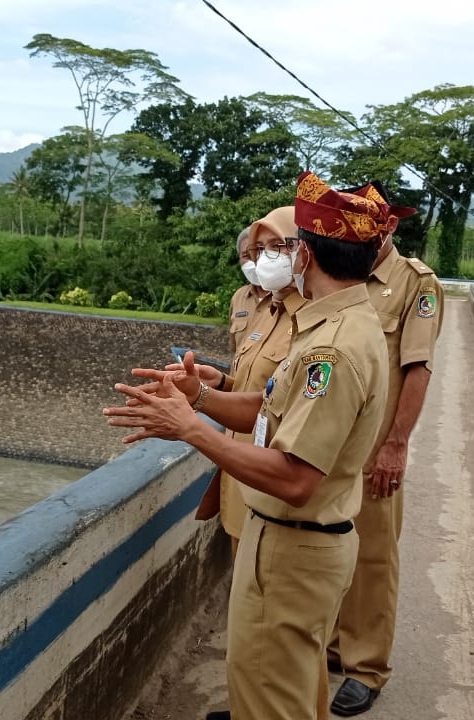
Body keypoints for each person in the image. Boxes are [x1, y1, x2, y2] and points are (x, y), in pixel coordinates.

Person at [104, 170, 390, 720]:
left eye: (288, 248)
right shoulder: (340, 324)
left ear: (306, 255)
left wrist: (190, 429)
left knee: (267, 699)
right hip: (297, 545)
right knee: (280, 690)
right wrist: (200, 398)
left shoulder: (332, 349)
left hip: (293, 548)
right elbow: (271, 407)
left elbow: (295, 477)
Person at [328, 182, 444, 717]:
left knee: (373, 556)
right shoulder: (338, 272)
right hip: (328, 444)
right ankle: (334, 643)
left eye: (368, 222)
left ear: (390, 225)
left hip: (374, 449)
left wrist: (396, 445)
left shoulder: (416, 283)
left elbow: (417, 368)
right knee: (328, 544)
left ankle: (366, 667)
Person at [192, 207, 306, 557]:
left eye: (277, 246)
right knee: (241, 563)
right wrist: (219, 384)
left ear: (304, 249)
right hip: (241, 460)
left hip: (273, 471)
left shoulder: (314, 320)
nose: (265, 258)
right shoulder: (269, 311)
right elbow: (257, 384)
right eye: (259, 250)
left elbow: (285, 404)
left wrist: (193, 415)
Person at [227, 227, 270, 355]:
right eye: (246, 255)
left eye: (259, 252)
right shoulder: (238, 297)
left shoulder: (289, 297)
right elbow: (234, 350)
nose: (254, 260)